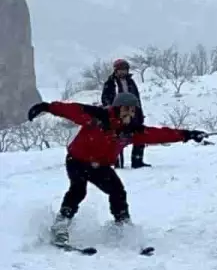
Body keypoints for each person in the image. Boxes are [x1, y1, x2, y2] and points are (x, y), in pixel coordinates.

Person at [25, 93, 207, 245]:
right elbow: (71, 110)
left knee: (118, 192)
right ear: (118, 108)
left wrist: (187, 135)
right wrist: (46, 107)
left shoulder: (131, 130)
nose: (129, 112)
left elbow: (157, 134)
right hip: (77, 160)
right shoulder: (98, 116)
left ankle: (122, 226)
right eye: (126, 108)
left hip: (100, 166)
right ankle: (60, 226)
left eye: (132, 109)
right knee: (78, 190)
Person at [101, 58, 147, 168]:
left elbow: (137, 98)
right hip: (117, 114)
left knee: (140, 135)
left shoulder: (131, 82)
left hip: (133, 113)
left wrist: (139, 113)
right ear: (116, 70)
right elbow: (105, 99)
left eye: (124, 70)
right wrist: (111, 110)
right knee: (116, 138)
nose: (122, 72)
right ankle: (117, 163)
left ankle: (137, 161)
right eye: (120, 70)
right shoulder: (110, 83)